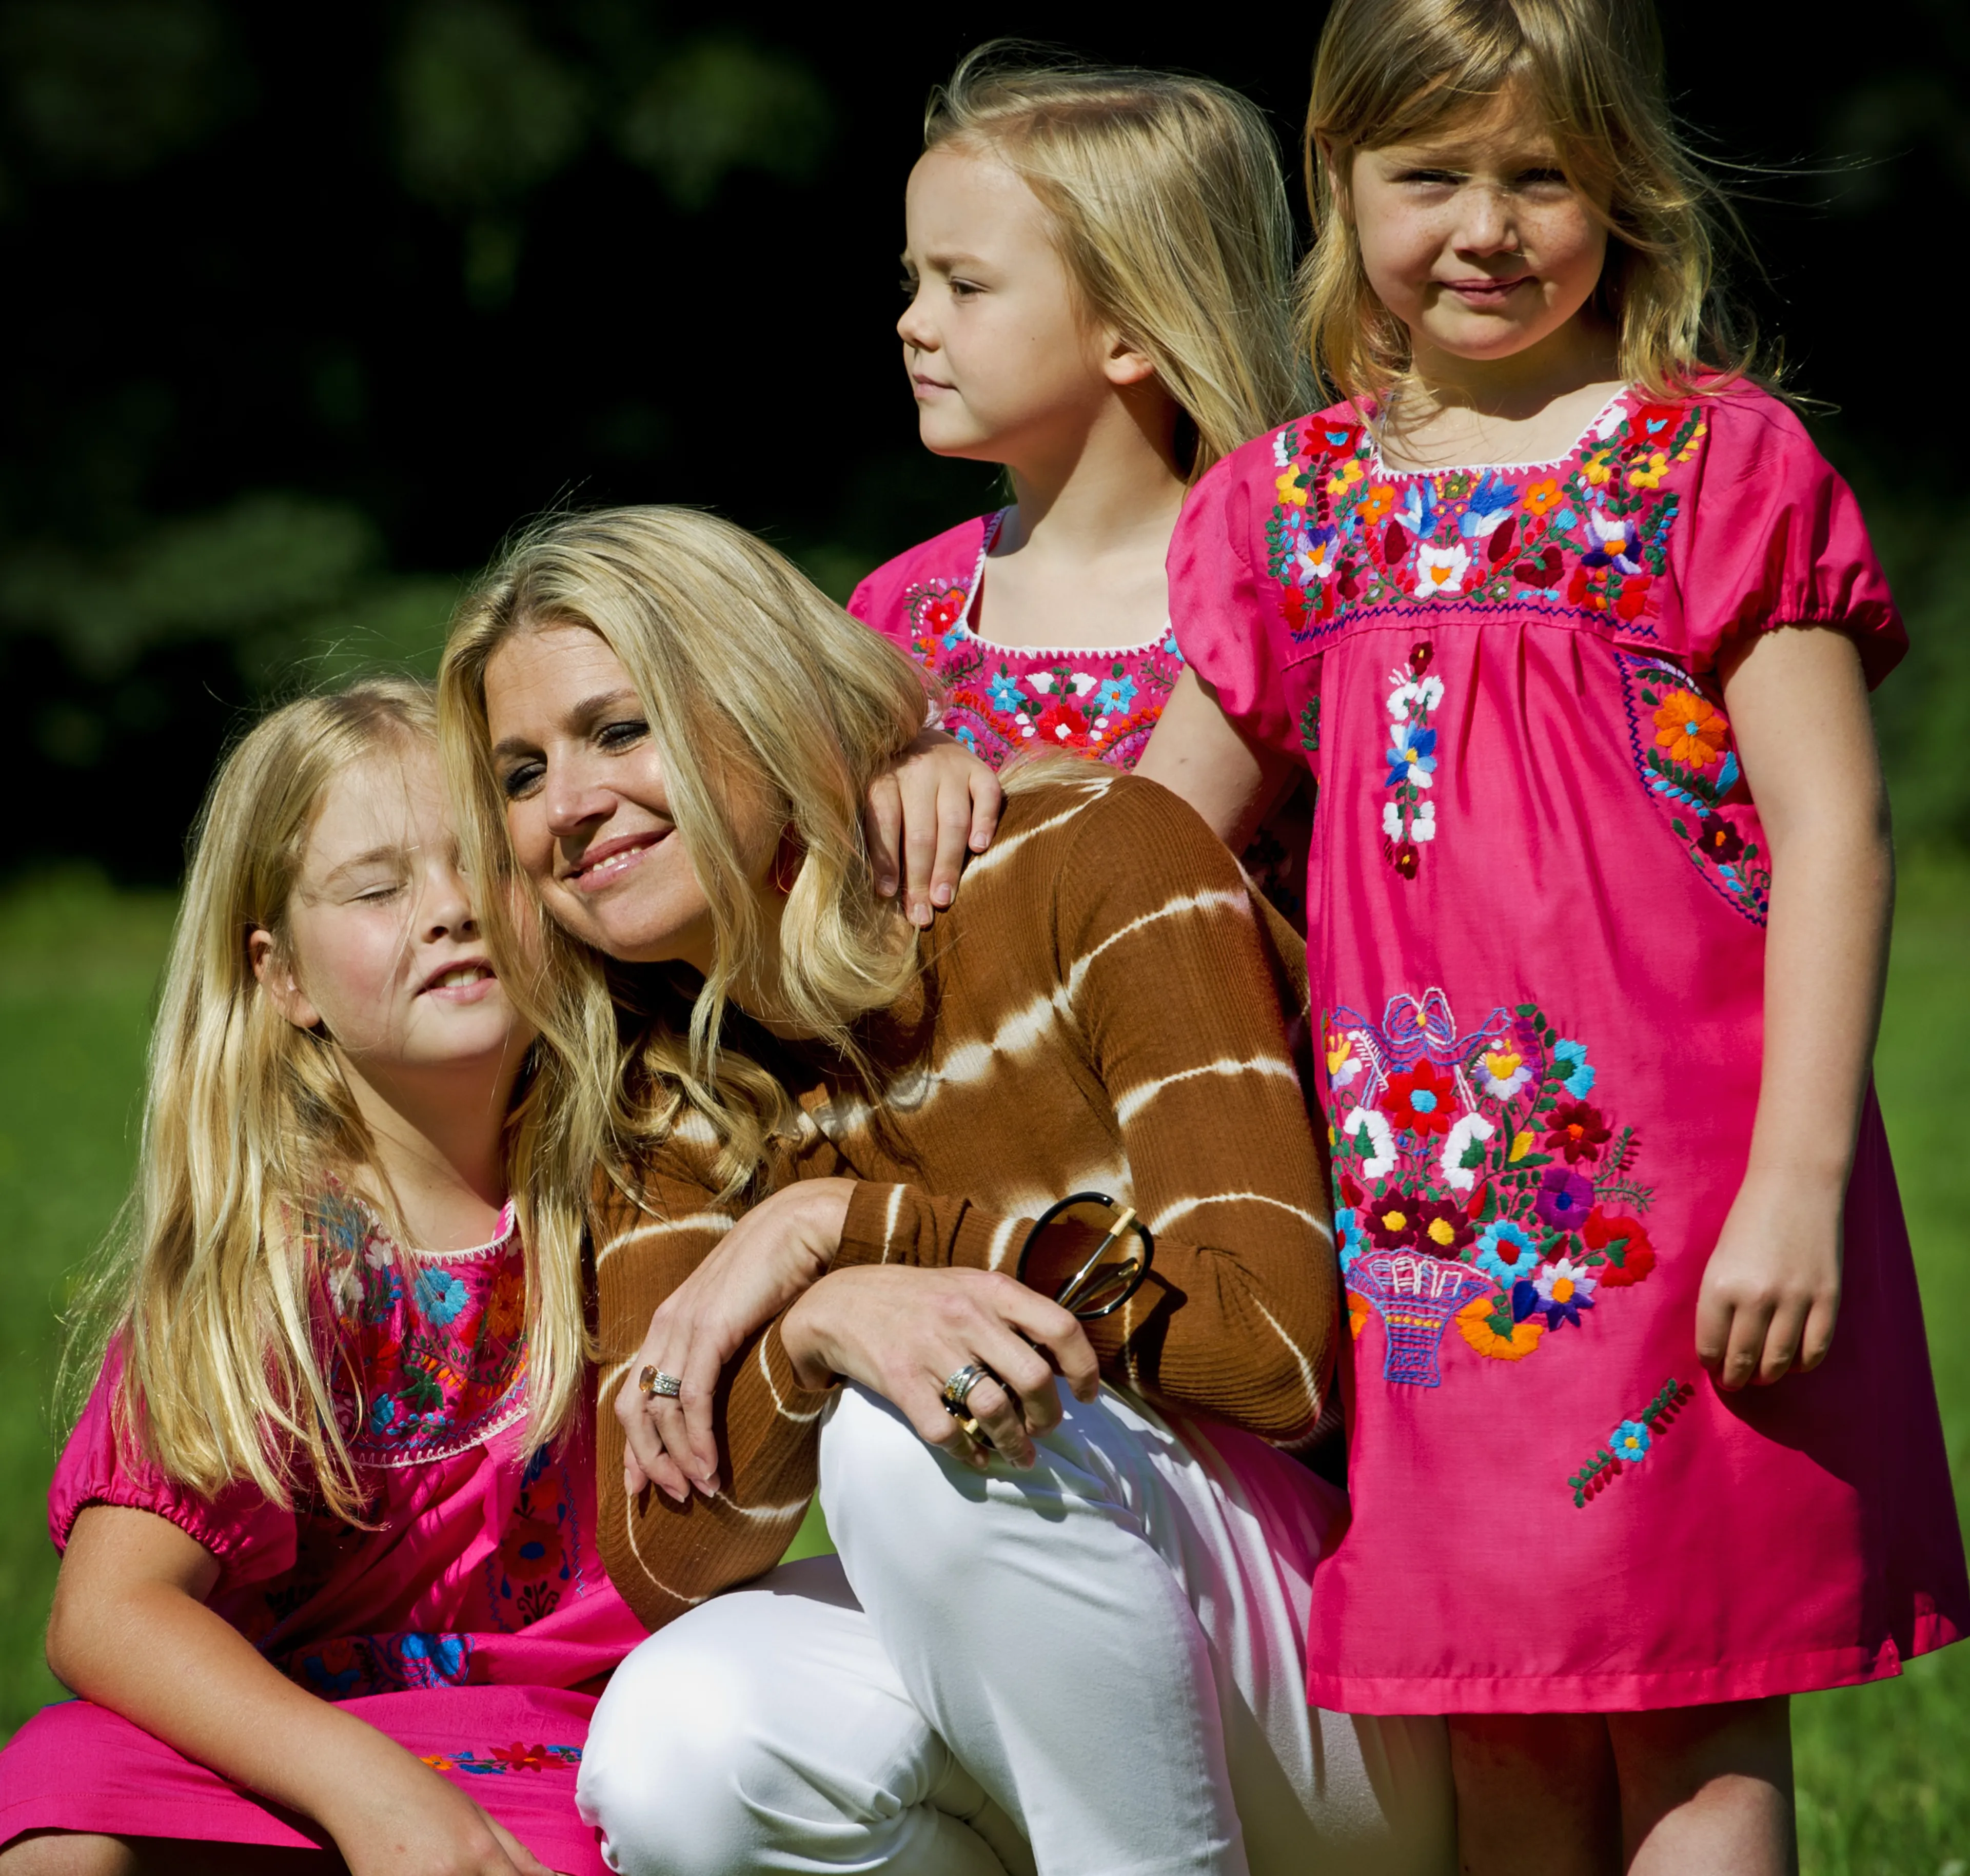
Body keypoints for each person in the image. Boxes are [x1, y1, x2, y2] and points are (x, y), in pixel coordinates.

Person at [1134, 0, 1970, 1869]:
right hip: (1415, 1232)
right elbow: (1146, 852)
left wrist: (1799, 1180)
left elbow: (1838, 827)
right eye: (1429, 175)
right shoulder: (1290, 508)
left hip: (1692, 1213)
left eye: (1544, 176)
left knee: (1686, 1706)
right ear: (1336, 182)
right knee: (1495, 1722)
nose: (1486, 226)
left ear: (1629, 192)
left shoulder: (1714, 464)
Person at [438, 505, 1455, 1876]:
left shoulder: (1091, 852)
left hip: (1357, 1675)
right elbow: (661, 1555)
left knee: (915, 1421)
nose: (567, 807)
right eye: (518, 774)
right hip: (1076, 1672)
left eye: (619, 732)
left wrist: (841, 1232)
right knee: (682, 1750)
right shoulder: (661, 1077)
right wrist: (812, 1325)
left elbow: (1275, 1353)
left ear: (752, 699)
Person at [0, 682, 645, 1876]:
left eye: (479, 864)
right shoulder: (279, 1254)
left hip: (563, 1742)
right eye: (379, 886)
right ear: (281, 975)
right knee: (61, 1782)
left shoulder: (643, 1186)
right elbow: (106, 1611)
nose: (449, 910)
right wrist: (374, 1792)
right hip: (308, 1748)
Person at [850, 45, 1316, 928]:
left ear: (1132, 331)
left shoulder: (1274, 587)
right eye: (916, 282)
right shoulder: (894, 613)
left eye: (966, 285)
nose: (912, 322)